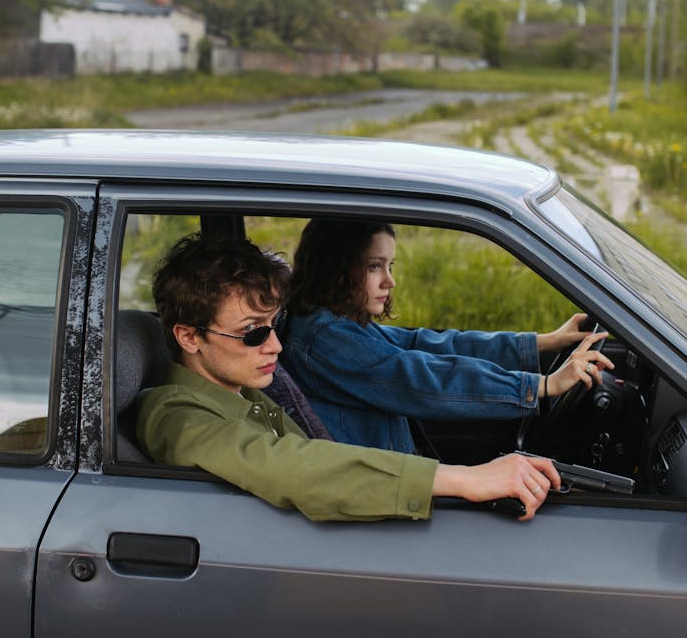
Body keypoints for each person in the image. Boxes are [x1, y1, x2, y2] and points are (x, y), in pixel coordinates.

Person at [135, 232, 562, 522]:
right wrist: (465, 478)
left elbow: (416, 345)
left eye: (275, 324)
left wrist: (536, 349)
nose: (276, 346)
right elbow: (293, 467)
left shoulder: (239, 388)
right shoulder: (178, 417)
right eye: (254, 332)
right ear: (189, 337)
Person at [281, 219, 613, 453]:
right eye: (373, 267)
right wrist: (541, 386)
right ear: (336, 268)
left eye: (390, 266)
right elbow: (418, 379)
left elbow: (422, 344)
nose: (389, 281)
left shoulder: (333, 321)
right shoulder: (324, 337)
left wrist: (542, 342)